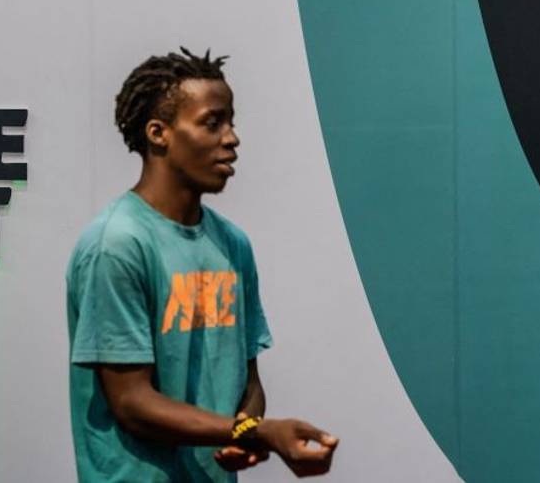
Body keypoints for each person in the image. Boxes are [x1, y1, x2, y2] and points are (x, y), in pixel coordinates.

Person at [66, 48, 338, 481]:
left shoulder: (232, 244)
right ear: (159, 133)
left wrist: (246, 431)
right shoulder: (116, 245)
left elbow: (247, 381)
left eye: (231, 122)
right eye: (212, 123)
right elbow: (132, 403)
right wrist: (258, 433)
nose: (231, 138)